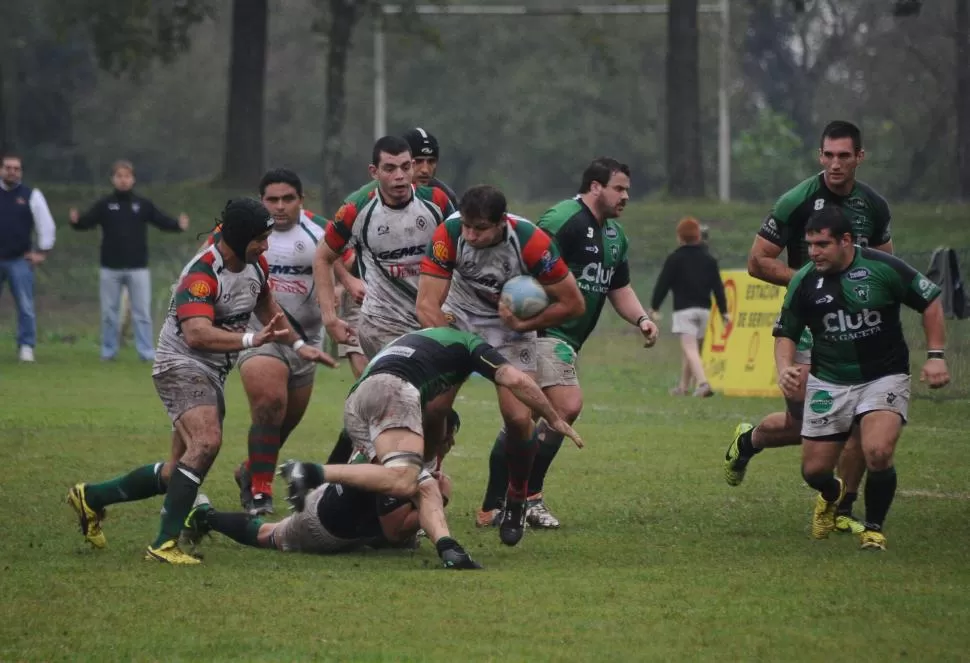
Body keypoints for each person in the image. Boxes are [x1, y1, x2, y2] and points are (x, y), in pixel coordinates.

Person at [66, 198, 336, 564]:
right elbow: (196, 334)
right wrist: (251, 340)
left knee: (177, 471)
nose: (266, 246)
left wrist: (300, 345)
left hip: (211, 372)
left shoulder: (255, 265)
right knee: (207, 441)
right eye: (259, 239)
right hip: (180, 365)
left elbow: (268, 307)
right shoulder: (201, 274)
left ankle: (91, 497)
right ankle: (164, 545)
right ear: (239, 237)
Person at [723, 120, 894, 534]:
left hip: (854, 329)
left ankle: (842, 507)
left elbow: (886, 265)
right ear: (820, 156)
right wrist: (812, 283)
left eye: (844, 156)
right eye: (828, 155)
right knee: (807, 426)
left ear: (859, 157)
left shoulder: (873, 206)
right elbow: (758, 261)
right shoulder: (796, 201)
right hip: (805, 325)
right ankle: (748, 441)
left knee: (857, 420)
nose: (835, 164)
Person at [473, 158, 659, 530]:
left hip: (569, 339)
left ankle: (495, 504)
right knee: (566, 405)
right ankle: (528, 497)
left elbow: (618, 287)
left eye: (627, 190)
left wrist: (642, 318)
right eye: (618, 189)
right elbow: (525, 262)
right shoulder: (563, 219)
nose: (625, 196)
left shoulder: (615, 236)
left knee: (523, 422)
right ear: (595, 187)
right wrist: (516, 308)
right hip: (542, 331)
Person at [300, 327, 582, 567]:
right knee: (406, 480)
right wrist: (554, 418)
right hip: (393, 392)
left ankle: (448, 548)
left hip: (358, 402)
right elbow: (516, 379)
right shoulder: (470, 345)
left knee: (423, 484)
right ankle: (313, 472)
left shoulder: (424, 340)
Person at [416, 184, 586, 545]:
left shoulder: (532, 243)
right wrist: (455, 344)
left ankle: (516, 497)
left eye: (480, 229)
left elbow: (573, 304)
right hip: (459, 319)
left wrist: (525, 324)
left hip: (510, 329)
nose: (471, 235)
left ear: (500, 223)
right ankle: (424, 484)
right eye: (468, 226)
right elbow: (426, 305)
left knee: (519, 419)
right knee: (433, 407)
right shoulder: (449, 233)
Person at [772, 205, 948, 550]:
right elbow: (785, 332)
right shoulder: (804, 280)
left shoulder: (883, 268)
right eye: (810, 244)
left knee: (878, 451)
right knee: (814, 471)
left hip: (884, 375)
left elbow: (930, 301)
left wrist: (936, 356)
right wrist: (785, 368)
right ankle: (831, 493)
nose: (813, 252)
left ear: (846, 240)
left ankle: (873, 528)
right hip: (829, 379)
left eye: (822, 244)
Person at [314, 135, 456, 464]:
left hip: (430, 320)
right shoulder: (357, 208)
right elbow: (323, 256)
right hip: (382, 322)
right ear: (374, 171)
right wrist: (329, 317)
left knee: (434, 408)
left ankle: (412, 472)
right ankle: (404, 475)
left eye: (406, 167)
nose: (400, 176)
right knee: (408, 403)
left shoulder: (436, 201)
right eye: (390, 169)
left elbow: (462, 246)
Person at [183, 422, 465, 567]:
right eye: (447, 435)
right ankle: (204, 516)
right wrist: (440, 499)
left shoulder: (400, 442)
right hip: (324, 523)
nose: (451, 441)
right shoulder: (399, 462)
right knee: (270, 535)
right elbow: (394, 531)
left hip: (339, 501)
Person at [225, 169, 329, 516]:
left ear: (301, 200)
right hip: (260, 335)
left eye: (288, 199)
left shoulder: (322, 233)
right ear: (262, 201)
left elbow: (347, 269)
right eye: (272, 200)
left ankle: (249, 471)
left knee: (281, 424)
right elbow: (208, 264)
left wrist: (342, 293)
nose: (280, 206)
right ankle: (260, 492)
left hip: (307, 341)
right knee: (269, 405)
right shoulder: (241, 230)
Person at [68, 160, 190, 362]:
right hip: (110, 268)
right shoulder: (105, 205)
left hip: (138, 268)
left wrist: (178, 225)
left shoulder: (142, 205)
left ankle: (146, 352)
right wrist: (76, 222)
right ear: (113, 179)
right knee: (109, 313)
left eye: (127, 176)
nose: (123, 180)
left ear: (133, 179)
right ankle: (108, 351)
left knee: (141, 313)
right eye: (119, 176)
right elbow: (86, 221)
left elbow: (161, 220)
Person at [649, 216, 728, 398]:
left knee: (690, 349)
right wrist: (724, 311)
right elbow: (718, 287)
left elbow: (663, 284)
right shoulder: (709, 259)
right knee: (693, 351)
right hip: (704, 311)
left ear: (679, 237)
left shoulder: (675, 259)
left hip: (684, 311)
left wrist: (654, 306)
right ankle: (683, 387)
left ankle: (703, 384)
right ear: (698, 236)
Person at [0, 153, 56, 362]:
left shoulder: (31, 195)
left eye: (16, 169)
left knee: (25, 305)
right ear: (1, 169)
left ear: (21, 172)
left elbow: (46, 225)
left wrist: (42, 252)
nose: (12, 172)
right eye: (8, 168)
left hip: (19, 260)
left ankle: (26, 346)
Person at [343, 127, 459, 207]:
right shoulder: (359, 201)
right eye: (418, 161)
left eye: (431, 161)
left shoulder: (445, 197)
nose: (425, 169)